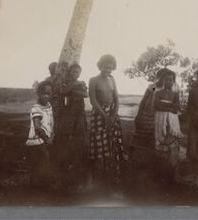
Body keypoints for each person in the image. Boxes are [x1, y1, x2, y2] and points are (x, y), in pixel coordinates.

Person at [88, 54, 127, 189]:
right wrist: (105, 117)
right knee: (100, 145)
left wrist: (113, 115)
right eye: (105, 67)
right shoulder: (93, 80)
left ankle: (113, 175)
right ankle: (99, 177)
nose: (107, 70)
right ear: (100, 66)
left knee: (114, 143)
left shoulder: (112, 79)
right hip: (99, 115)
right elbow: (93, 101)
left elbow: (116, 99)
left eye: (110, 68)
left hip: (112, 114)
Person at [54, 63, 89, 189]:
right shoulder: (66, 83)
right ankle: (64, 172)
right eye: (73, 72)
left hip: (79, 113)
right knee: (66, 139)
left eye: (78, 72)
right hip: (68, 114)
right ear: (70, 72)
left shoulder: (81, 83)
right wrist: (75, 86)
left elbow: (85, 94)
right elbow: (63, 91)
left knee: (80, 138)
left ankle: (78, 172)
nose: (76, 74)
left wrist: (73, 89)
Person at [25, 81, 55, 187]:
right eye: (44, 93)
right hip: (37, 140)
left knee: (45, 163)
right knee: (40, 163)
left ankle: (41, 187)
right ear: (38, 93)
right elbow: (37, 127)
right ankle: (36, 188)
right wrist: (47, 140)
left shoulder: (49, 105)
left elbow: (51, 123)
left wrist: (51, 136)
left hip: (46, 139)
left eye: (49, 94)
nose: (47, 96)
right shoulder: (36, 108)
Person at [133, 68, 169, 148]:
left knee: (154, 134)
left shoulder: (166, 89)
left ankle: (151, 150)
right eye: (161, 77)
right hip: (147, 112)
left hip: (157, 115)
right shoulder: (153, 87)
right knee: (142, 132)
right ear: (158, 76)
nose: (163, 80)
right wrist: (139, 114)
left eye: (165, 78)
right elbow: (144, 100)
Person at [154, 69, 183, 168]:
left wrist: (168, 107)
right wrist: (169, 107)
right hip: (160, 116)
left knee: (170, 134)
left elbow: (177, 106)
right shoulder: (158, 92)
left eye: (170, 80)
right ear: (163, 81)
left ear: (173, 82)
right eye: (166, 80)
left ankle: (171, 160)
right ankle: (161, 159)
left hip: (172, 117)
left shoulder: (175, 93)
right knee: (162, 133)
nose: (168, 82)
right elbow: (156, 105)